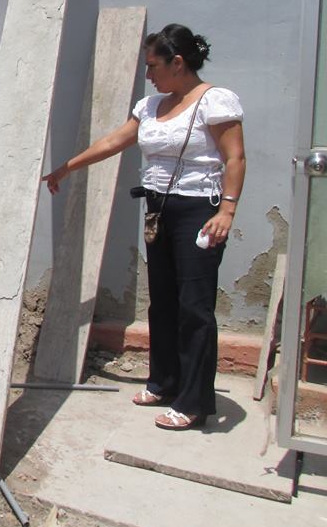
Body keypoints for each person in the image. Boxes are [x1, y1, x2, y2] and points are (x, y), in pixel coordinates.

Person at [42, 23, 246, 430]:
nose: (148, 74)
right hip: (158, 209)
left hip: (198, 211)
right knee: (164, 301)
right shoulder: (151, 106)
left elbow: (235, 157)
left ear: (178, 62)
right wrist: (67, 167)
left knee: (195, 306)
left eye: (153, 66)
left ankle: (193, 402)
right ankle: (165, 381)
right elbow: (114, 141)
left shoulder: (214, 101)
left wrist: (226, 211)